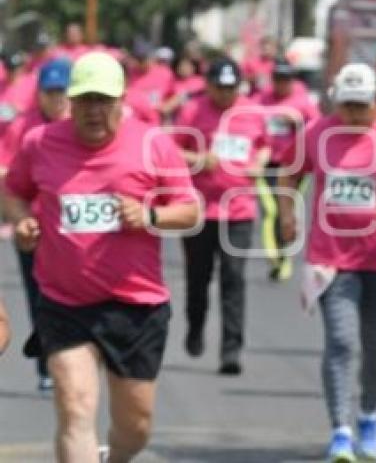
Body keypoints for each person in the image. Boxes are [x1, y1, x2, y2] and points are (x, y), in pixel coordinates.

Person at [1, 51, 199, 463]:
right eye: (84, 100)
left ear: (121, 100)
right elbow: (13, 192)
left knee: (136, 426)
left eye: (103, 100)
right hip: (63, 301)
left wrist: (148, 215)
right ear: (70, 101)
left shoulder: (153, 144)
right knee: (74, 408)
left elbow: (190, 209)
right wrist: (22, 222)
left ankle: (117, 457)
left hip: (135, 306)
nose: (93, 111)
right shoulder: (41, 143)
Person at [277, 63, 376, 462]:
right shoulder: (316, 133)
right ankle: (341, 431)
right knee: (341, 343)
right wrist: (287, 213)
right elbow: (288, 175)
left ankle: (369, 417)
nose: (354, 114)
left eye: (362, 106)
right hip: (331, 257)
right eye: (347, 106)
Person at [173, 58, 270, 376]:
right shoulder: (192, 111)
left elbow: (266, 146)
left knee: (234, 277)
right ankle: (195, 325)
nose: (224, 94)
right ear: (208, 85)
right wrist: (198, 159)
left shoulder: (253, 112)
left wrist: (260, 163)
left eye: (230, 88)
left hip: (238, 210)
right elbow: (171, 151)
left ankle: (231, 349)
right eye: (219, 87)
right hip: (199, 210)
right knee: (198, 277)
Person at [0, 58, 72, 392]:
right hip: (31, 227)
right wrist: (18, 214)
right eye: (51, 92)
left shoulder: (79, 127)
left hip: (69, 231)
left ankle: (72, 360)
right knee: (39, 296)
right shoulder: (22, 128)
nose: (57, 99)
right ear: (39, 93)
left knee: (69, 296)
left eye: (63, 92)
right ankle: (47, 366)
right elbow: (4, 172)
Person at [254, 58, 319, 281]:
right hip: (268, 164)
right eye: (278, 78)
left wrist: (298, 121)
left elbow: (318, 129)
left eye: (286, 78)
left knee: (288, 210)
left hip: (294, 166)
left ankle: (286, 249)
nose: (282, 83)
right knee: (271, 211)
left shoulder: (303, 100)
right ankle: (277, 258)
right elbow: (248, 120)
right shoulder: (261, 98)